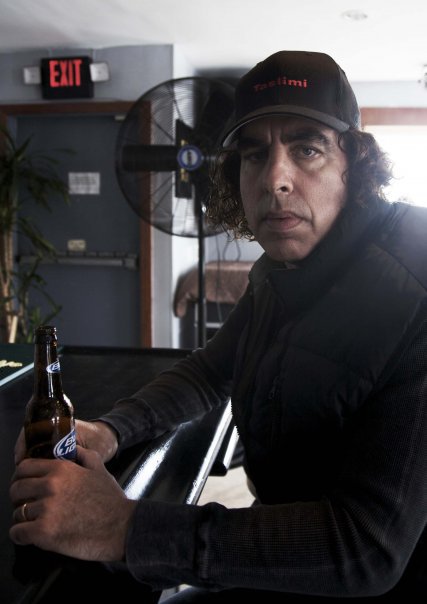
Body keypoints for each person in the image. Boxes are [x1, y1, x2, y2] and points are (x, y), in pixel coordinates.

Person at [9, 50, 427, 602]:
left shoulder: (416, 287)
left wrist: (125, 526)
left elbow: (366, 549)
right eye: (254, 154)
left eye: (306, 149)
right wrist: (111, 430)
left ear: (356, 162)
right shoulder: (278, 271)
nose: (275, 179)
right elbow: (210, 370)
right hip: (280, 543)